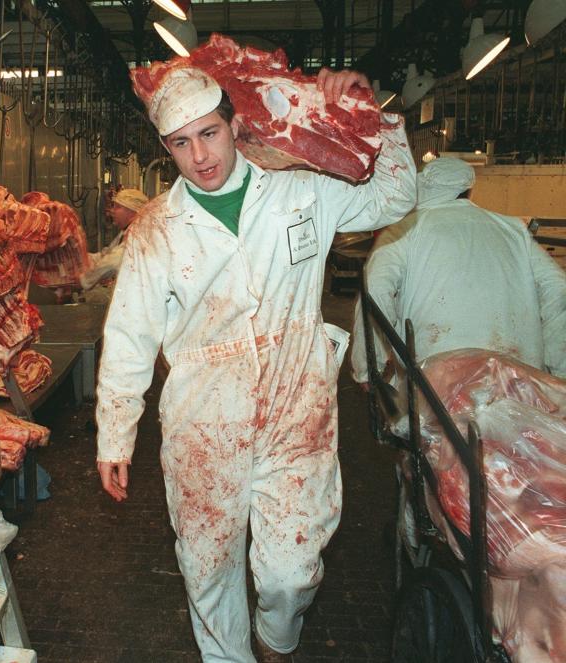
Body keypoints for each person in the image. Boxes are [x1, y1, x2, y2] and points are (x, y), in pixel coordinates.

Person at [94, 65, 417, 663]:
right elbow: (129, 337)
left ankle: (276, 642)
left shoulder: (299, 192)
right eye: (181, 143)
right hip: (203, 421)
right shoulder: (155, 230)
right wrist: (116, 434)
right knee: (208, 569)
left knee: (290, 574)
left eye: (209, 133)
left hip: (296, 413)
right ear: (166, 148)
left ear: (235, 124)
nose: (200, 155)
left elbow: (394, 196)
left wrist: (372, 113)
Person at [350, 156, 566, 386]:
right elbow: (557, 287)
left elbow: (375, 291)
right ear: (469, 191)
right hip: (515, 376)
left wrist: (369, 368)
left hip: (436, 382)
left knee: (430, 419)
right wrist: (558, 368)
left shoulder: (404, 231)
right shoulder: (513, 230)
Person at [80, 188, 149, 292]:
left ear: (132, 210)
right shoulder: (126, 231)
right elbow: (107, 254)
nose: (112, 211)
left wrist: (83, 281)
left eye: (117, 207)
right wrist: (81, 258)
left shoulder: (138, 234)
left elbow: (111, 263)